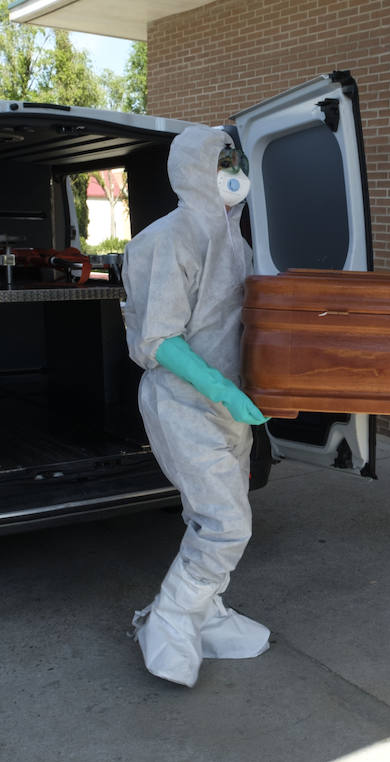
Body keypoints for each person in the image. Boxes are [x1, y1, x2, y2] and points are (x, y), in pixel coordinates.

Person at [122, 124, 271, 687]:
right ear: (193, 170)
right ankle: (171, 618)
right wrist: (220, 388)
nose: (234, 176)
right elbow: (159, 338)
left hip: (226, 406)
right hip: (184, 402)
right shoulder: (167, 238)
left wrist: (254, 386)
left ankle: (207, 614)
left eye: (238, 165)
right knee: (227, 525)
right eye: (222, 163)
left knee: (206, 514)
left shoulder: (236, 243)